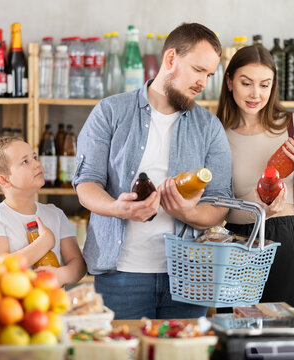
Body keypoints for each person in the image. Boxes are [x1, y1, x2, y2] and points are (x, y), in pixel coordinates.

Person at [73, 23, 233, 319]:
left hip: (190, 277)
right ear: (170, 58)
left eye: (209, 75)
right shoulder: (110, 112)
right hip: (121, 274)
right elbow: (86, 184)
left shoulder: (209, 128)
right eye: (198, 70)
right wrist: (117, 208)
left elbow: (219, 204)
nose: (203, 82)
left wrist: (188, 212)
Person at [216, 45, 294, 310]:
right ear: (230, 81)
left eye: (265, 85)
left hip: (284, 237)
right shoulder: (218, 131)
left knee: (286, 329)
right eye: (246, 83)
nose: (256, 94)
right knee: (236, 332)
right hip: (237, 240)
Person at [0, 137, 86, 287]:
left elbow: (78, 264)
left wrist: (61, 275)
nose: (37, 164)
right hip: (14, 309)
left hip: (52, 305)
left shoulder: (55, 214)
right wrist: (44, 242)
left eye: (34, 157)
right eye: (25, 161)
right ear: (4, 180)